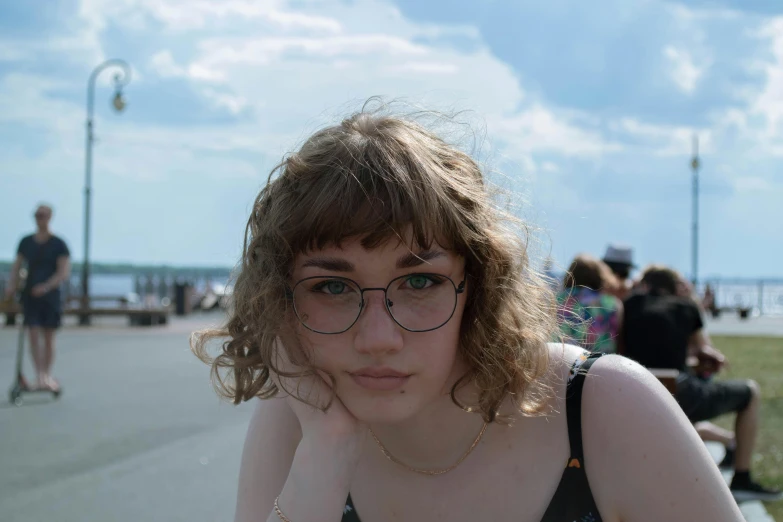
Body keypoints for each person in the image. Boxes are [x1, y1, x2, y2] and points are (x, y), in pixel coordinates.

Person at [192, 108, 746, 522]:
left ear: (478, 285)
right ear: (279, 299)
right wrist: (327, 453)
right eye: (332, 286)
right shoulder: (299, 419)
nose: (379, 338)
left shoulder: (603, 408)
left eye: (419, 281)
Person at [621, 265, 781, 502]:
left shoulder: (628, 305)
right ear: (674, 287)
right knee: (750, 392)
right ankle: (742, 478)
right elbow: (703, 349)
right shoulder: (684, 306)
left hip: (634, 388)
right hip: (677, 389)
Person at [4, 204, 71, 392]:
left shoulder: (59, 244)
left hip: (50, 297)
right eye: (36, 215)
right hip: (29, 296)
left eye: (42, 215)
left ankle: (47, 375)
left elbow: (63, 272)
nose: (39, 219)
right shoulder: (26, 242)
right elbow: (17, 266)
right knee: (33, 334)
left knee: (48, 336)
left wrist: (46, 287)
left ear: (50, 217)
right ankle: (39, 375)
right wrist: (12, 285)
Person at [557, 254, 622, 354]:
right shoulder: (613, 303)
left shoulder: (556, 299)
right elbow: (618, 339)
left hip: (562, 360)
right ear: (599, 276)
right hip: (600, 363)